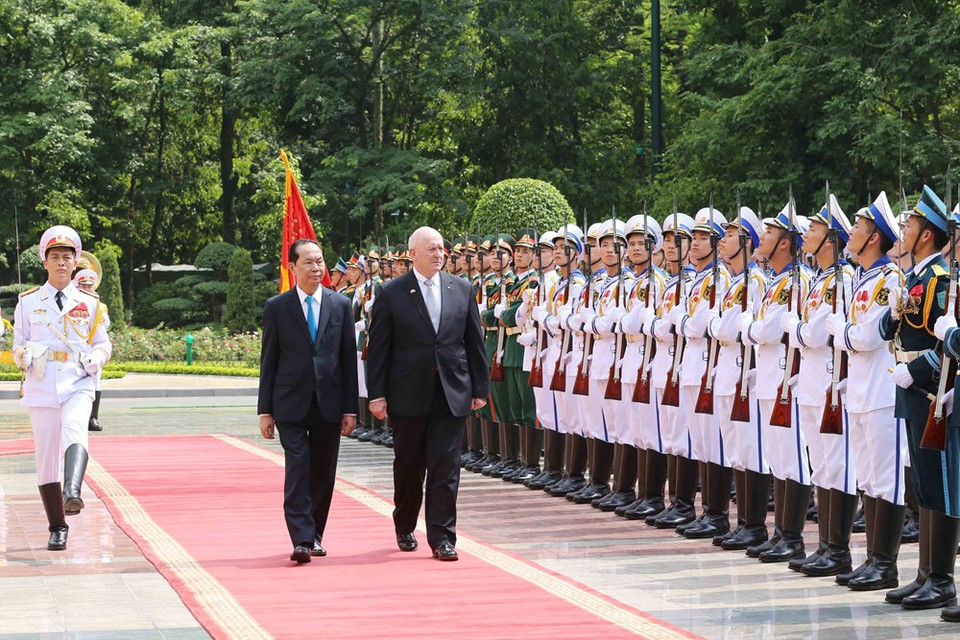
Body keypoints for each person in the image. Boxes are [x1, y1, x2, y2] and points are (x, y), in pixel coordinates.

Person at [366, 226, 489, 561]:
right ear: (413, 254)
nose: (439, 254)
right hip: (408, 393)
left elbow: (474, 342)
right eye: (431, 249)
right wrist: (377, 394)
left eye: (441, 249)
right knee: (409, 467)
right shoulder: (391, 292)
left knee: (446, 467)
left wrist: (479, 387)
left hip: (451, 392)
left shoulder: (461, 288)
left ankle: (442, 537)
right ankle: (405, 523)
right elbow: (378, 349)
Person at [258, 239, 359, 564]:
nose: (316, 268)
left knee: (323, 471)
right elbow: (269, 360)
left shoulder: (340, 304)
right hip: (290, 402)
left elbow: (347, 360)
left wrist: (350, 409)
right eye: (308, 263)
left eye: (319, 262)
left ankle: (315, 534)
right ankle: (301, 538)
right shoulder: (278, 306)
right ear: (293, 267)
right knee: (298, 466)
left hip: (329, 402)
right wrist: (265, 411)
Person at [12, 225, 112, 551]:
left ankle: (73, 492)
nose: (61, 262)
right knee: (46, 458)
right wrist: (23, 355)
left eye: (67, 257)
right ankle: (57, 526)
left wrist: (96, 358)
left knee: (75, 430)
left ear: (75, 262)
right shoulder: (28, 302)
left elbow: (103, 343)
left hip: (77, 380)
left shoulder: (89, 302)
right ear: (45, 261)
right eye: (54, 257)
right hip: (42, 384)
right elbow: (18, 345)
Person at [72, 268, 110, 432]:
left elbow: (105, 325)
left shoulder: (98, 304)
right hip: (77, 349)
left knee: (96, 381)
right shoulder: (73, 301)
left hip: (93, 349)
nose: (86, 288)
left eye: (89, 286)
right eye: (83, 285)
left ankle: (93, 417)